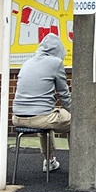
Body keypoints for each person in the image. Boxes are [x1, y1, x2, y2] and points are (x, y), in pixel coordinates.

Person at [12, 32, 71, 173]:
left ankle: (49, 161)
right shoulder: (56, 63)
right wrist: (75, 112)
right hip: (40, 118)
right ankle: (79, 164)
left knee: (45, 120)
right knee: (75, 121)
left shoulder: (27, 62)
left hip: (17, 118)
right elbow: (64, 95)